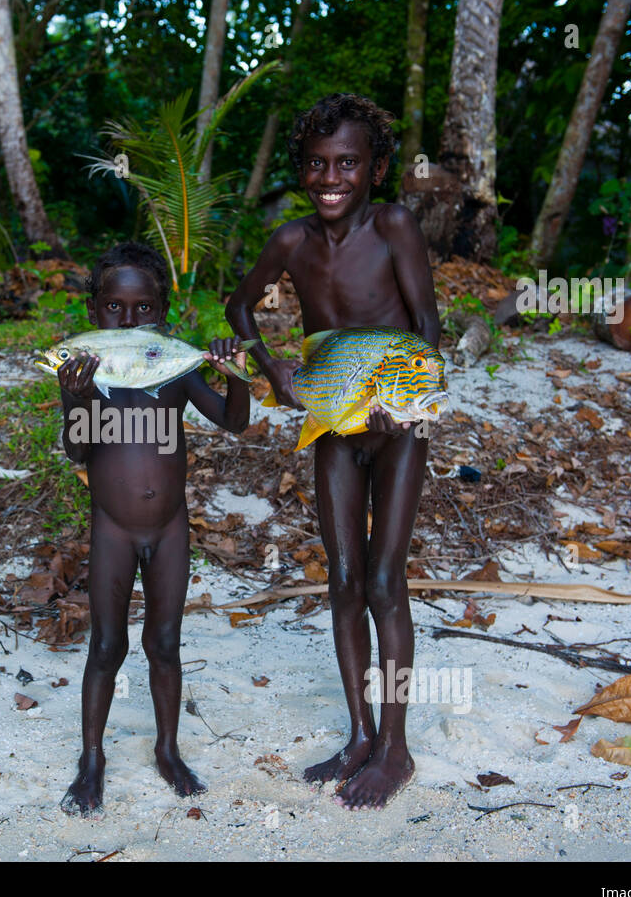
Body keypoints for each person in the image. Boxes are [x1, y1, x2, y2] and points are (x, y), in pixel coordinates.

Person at [225, 94, 442, 810]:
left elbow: (428, 326)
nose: (330, 177)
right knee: (344, 580)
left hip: (397, 426)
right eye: (317, 165)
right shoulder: (291, 244)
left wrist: (406, 395)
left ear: (374, 168)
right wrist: (270, 367)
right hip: (332, 428)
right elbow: (239, 306)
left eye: (347, 163)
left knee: (385, 581)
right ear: (301, 170)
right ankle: (358, 735)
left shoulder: (394, 225)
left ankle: (396, 747)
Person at [55, 242, 249, 815]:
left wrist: (236, 375)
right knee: (107, 645)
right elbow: (77, 450)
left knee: (165, 643)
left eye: (143, 309)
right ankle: (92, 758)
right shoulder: (83, 370)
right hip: (112, 530)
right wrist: (78, 398)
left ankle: (167, 748)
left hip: (169, 531)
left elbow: (233, 421)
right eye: (115, 307)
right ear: (95, 312)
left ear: (161, 310)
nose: (129, 319)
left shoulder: (174, 370)